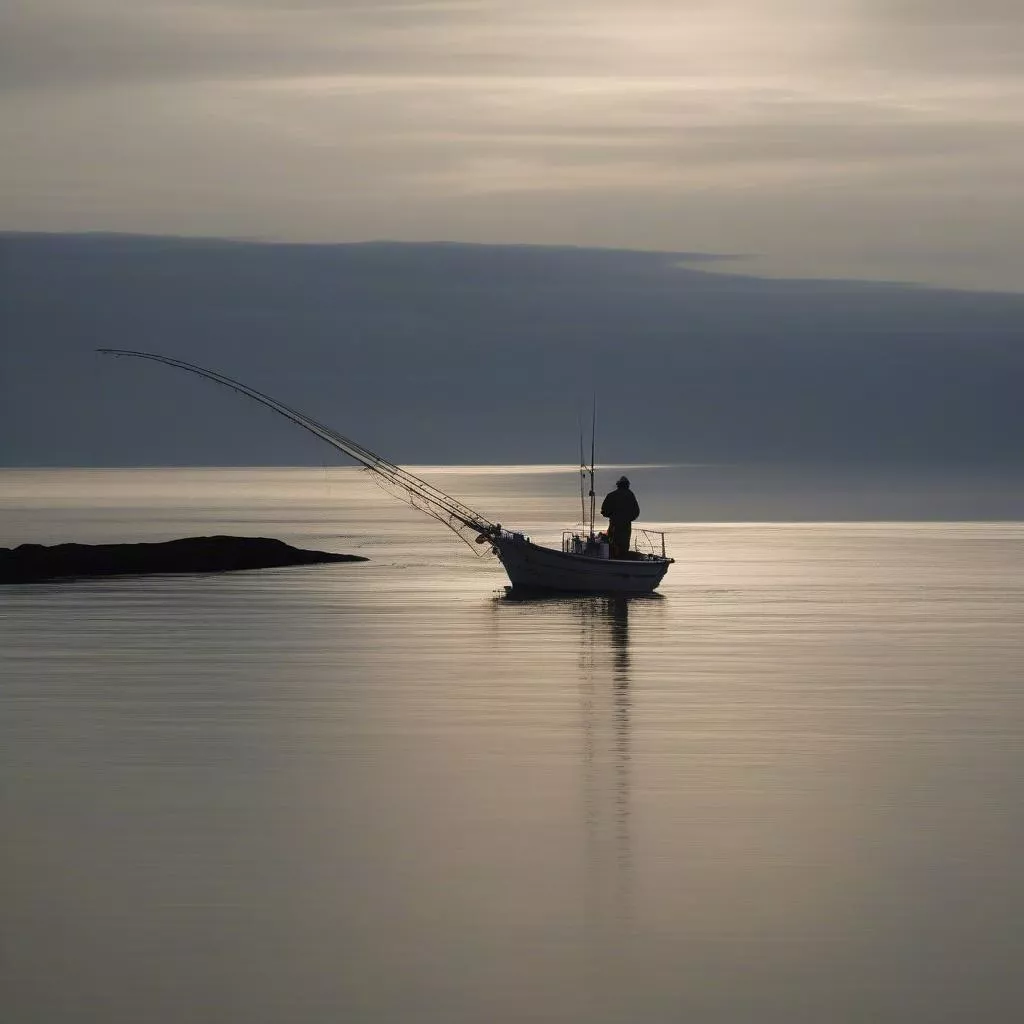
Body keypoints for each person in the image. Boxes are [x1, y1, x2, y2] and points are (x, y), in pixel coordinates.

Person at [600, 475, 640, 559]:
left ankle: (613, 559)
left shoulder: (611, 495)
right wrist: (628, 518)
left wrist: (612, 515)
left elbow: (604, 511)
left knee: (612, 543)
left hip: (614, 525)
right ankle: (622, 559)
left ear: (618, 484)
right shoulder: (630, 495)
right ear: (627, 485)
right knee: (624, 545)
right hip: (626, 526)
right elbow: (636, 512)